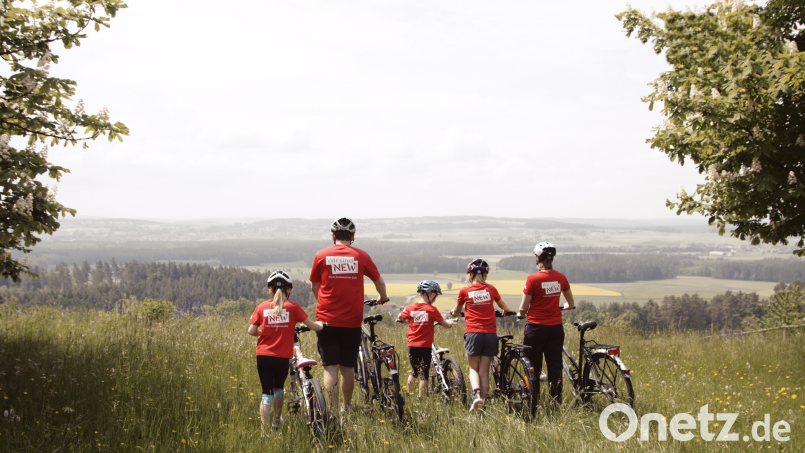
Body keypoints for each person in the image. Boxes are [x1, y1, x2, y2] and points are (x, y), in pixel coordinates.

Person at [309, 217, 389, 414]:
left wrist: (324, 302)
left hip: (326, 320)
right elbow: (379, 282)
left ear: (333, 236)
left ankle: (333, 413)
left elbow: (315, 285)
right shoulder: (361, 256)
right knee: (347, 368)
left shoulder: (321, 255)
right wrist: (383, 298)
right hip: (351, 321)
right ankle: (347, 407)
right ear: (352, 236)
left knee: (330, 368)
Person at [248, 270, 324, 434]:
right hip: (281, 357)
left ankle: (263, 433)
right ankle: (276, 425)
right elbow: (312, 326)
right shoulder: (293, 307)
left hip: (263, 356)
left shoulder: (261, 307)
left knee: (266, 394)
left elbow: (251, 330)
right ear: (288, 290)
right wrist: (323, 325)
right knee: (278, 390)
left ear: (270, 290)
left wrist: (264, 333)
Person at [450, 258, 515, 413]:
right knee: (484, 371)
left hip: (473, 334)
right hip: (490, 334)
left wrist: (456, 313)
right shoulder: (491, 290)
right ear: (485, 275)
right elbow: (504, 307)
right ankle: (482, 408)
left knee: (473, 368)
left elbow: (457, 311)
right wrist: (505, 312)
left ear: (470, 275)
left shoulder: (465, 291)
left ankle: (476, 395)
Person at [517, 242, 575, 409]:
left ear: (538, 259)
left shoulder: (533, 279)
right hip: (556, 328)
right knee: (555, 367)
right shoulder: (561, 277)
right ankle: (555, 405)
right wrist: (564, 306)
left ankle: (533, 403)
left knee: (533, 366)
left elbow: (523, 307)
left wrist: (521, 314)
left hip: (536, 328)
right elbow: (570, 303)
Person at [397, 280, 454, 398]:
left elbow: (400, 316)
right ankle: (421, 399)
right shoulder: (432, 310)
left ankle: (409, 395)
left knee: (414, 371)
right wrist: (450, 322)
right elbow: (445, 325)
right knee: (424, 374)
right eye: (436, 295)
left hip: (412, 345)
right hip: (425, 346)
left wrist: (405, 321)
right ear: (431, 294)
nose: (435, 299)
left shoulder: (411, 307)